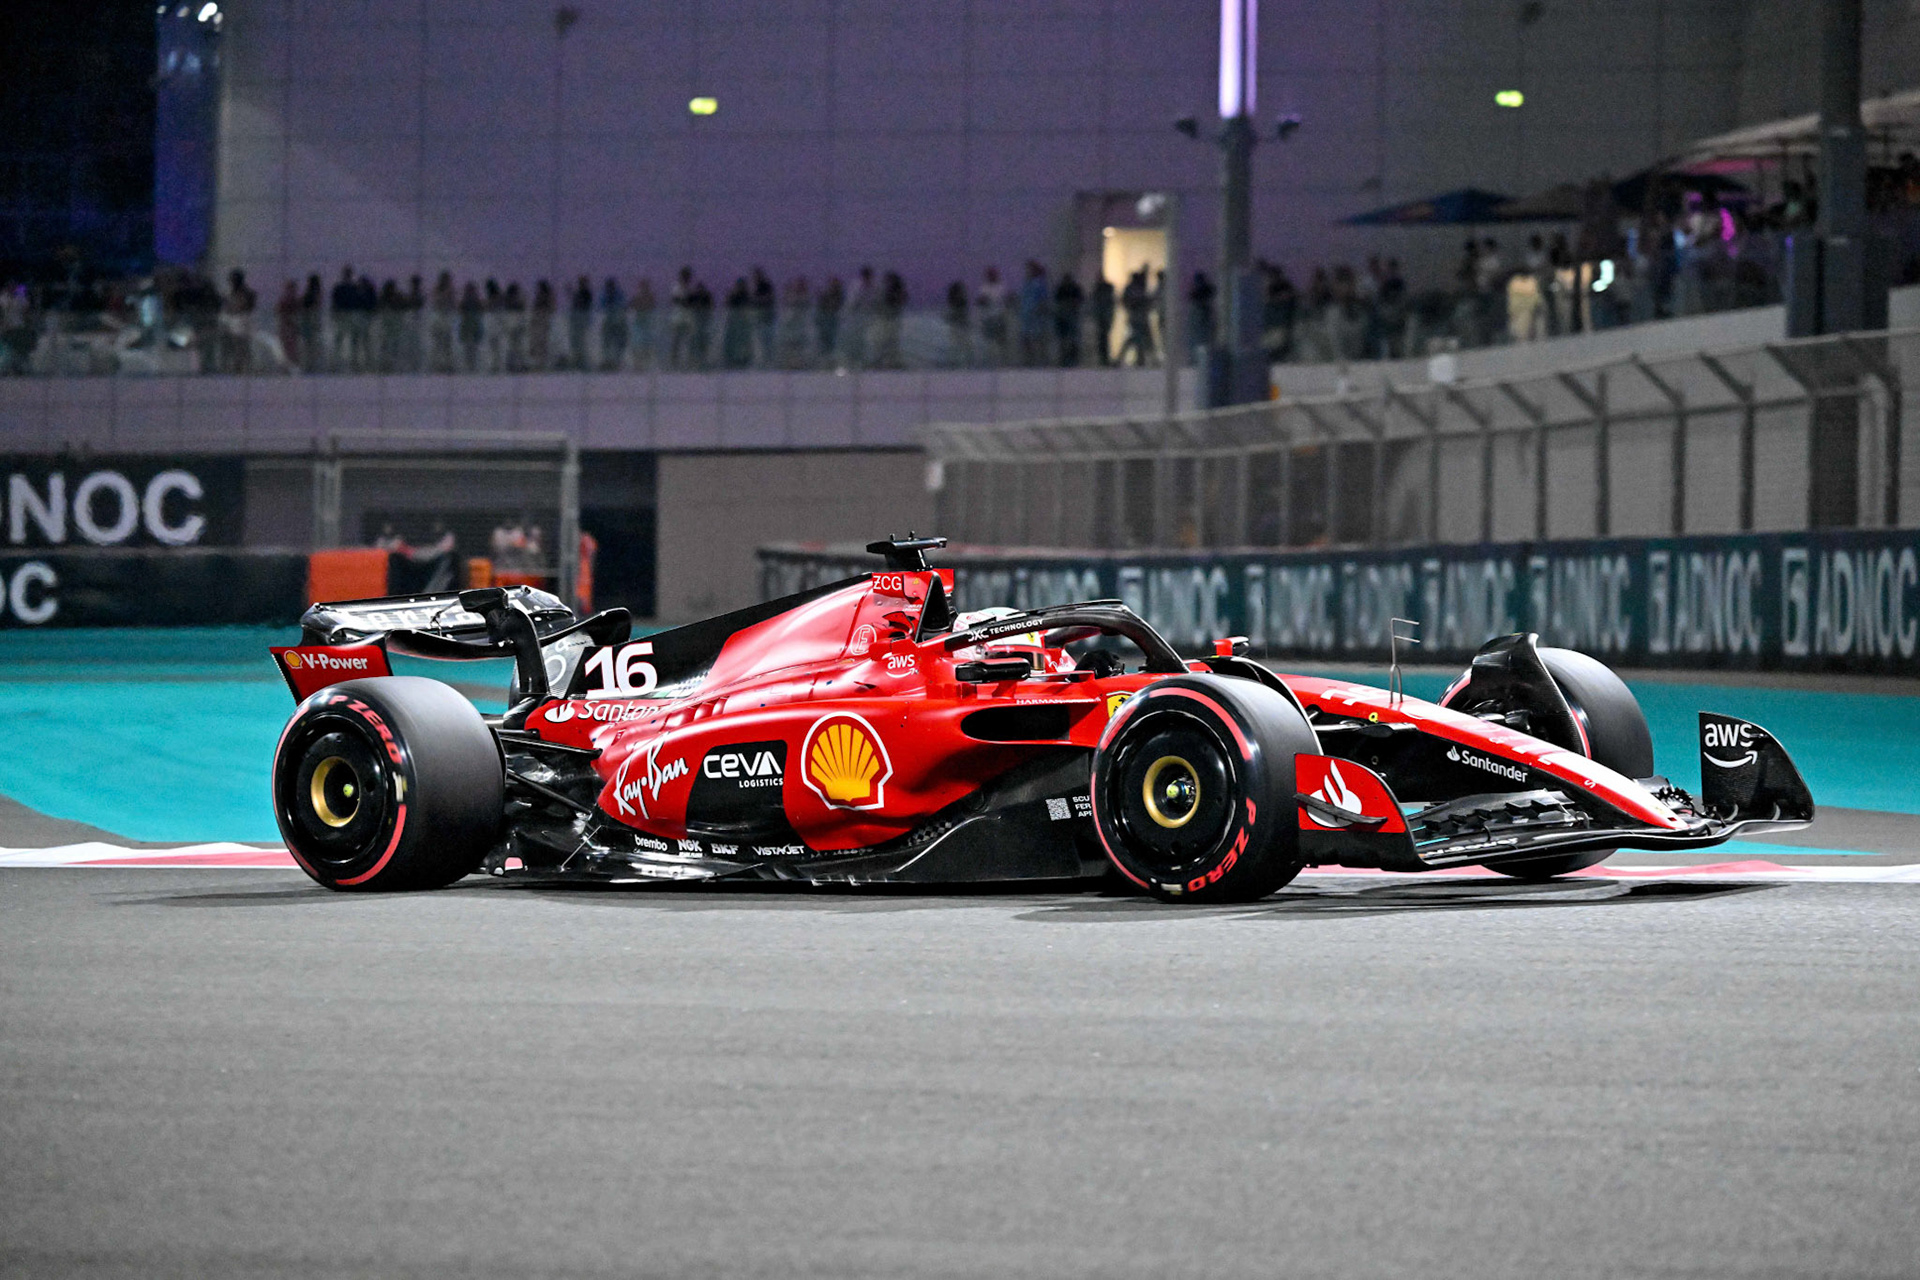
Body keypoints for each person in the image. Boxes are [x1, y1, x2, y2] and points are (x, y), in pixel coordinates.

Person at [1118, 267, 1154, 366]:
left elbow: (1147, 302)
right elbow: (1126, 301)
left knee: (1138, 339)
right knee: (1136, 339)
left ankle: (1140, 358)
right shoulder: (1132, 289)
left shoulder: (1139, 288)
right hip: (1136, 317)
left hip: (1140, 317)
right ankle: (1138, 359)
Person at [1016, 260, 1050, 366]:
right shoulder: (1026, 283)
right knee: (1025, 340)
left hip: (1036, 318)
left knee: (1038, 339)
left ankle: (1041, 361)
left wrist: (1039, 310)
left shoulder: (1039, 283)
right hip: (1026, 317)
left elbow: (1043, 299)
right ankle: (1028, 361)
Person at [975, 266, 1008, 365]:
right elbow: (981, 301)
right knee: (988, 341)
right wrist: (983, 301)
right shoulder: (983, 288)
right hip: (988, 318)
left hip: (998, 317)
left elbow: (1002, 300)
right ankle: (989, 361)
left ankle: (1001, 361)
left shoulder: (1001, 287)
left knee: (1000, 341)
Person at [1052, 271, 1084, 367]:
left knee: (1073, 339)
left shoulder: (1074, 289)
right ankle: (1064, 358)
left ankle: (1073, 359)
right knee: (1064, 339)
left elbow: (1080, 300)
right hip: (1062, 318)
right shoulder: (1061, 289)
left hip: (1072, 317)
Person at [875, 270, 907, 368]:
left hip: (892, 319)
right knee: (884, 341)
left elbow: (902, 300)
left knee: (891, 341)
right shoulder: (884, 291)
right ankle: (885, 361)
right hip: (885, 319)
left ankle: (891, 361)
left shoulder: (896, 291)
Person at [721, 276, 753, 368]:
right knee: (731, 342)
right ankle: (729, 360)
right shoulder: (733, 295)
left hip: (744, 324)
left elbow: (749, 308)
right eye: (739, 285)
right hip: (733, 324)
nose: (740, 287)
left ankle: (744, 361)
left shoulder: (747, 296)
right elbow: (727, 305)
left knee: (744, 343)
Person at [668, 268, 696, 369]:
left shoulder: (691, 289)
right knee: (676, 341)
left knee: (687, 341)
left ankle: (687, 362)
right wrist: (686, 301)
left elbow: (690, 302)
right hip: (677, 318)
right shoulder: (676, 288)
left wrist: (687, 301)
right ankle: (673, 363)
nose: (686, 278)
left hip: (688, 319)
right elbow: (678, 301)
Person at [429, 271, 457, 372]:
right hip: (438, 319)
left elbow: (454, 304)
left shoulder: (451, 291)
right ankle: (436, 365)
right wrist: (444, 296)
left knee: (447, 344)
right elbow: (436, 303)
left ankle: (448, 364)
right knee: (438, 343)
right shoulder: (437, 290)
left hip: (447, 319)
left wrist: (449, 296)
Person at [598, 276, 627, 370]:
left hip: (617, 323)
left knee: (618, 342)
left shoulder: (618, 295)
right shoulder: (604, 295)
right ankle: (607, 361)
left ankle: (617, 362)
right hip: (607, 322)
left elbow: (622, 306)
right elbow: (600, 308)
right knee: (606, 342)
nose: (610, 288)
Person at [750, 267, 776, 366]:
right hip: (759, 318)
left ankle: (769, 360)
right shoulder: (755, 288)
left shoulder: (766, 285)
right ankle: (762, 361)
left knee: (768, 340)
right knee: (759, 341)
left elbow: (769, 298)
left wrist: (758, 300)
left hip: (767, 318)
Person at [815, 275, 844, 364]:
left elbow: (838, 307)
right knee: (824, 342)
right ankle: (823, 360)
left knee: (833, 343)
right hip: (825, 323)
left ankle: (833, 360)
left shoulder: (840, 297)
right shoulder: (825, 297)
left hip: (834, 323)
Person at [457, 281, 484, 372]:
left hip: (474, 324)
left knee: (474, 347)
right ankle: (467, 365)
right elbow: (460, 310)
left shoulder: (477, 301)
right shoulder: (464, 301)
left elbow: (481, 309)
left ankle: (474, 365)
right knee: (467, 347)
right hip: (467, 324)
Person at [298, 274, 323, 373]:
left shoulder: (311, 294)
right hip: (310, 322)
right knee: (310, 345)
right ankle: (309, 365)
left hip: (309, 321)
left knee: (309, 345)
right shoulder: (315, 294)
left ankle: (310, 365)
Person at [1090, 272, 1116, 366]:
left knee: (1104, 338)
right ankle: (1102, 358)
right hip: (1101, 317)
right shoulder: (1098, 289)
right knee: (1102, 338)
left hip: (1105, 316)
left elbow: (1110, 302)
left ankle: (1105, 358)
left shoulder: (1106, 288)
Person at [274, 279, 301, 371]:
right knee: (285, 347)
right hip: (285, 327)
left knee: (293, 347)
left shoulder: (297, 302)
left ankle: (293, 365)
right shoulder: (283, 301)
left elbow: (299, 314)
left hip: (293, 327)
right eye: (290, 289)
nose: (291, 292)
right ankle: (284, 366)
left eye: (293, 289)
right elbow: (278, 313)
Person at [630, 277, 656, 368]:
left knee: (646, 345)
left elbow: (652, 306)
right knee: (636, 344)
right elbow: (632, 306)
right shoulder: (637, 297)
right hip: (638, 324)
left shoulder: (650, 297)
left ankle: (646, 364)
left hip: (647, 324)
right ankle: (637, 364)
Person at [504, 281, 530, 371]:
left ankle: (521, 364)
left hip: (518, 328)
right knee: (512, 347)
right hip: (511, 328)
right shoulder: (509, 303)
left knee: (520, 347)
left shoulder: (519, 303)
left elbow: (523, 315)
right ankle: (511, 365)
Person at [943, 280, 970, 366]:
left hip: (962, 326)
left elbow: (963, 314)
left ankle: (964, 362)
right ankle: (956, 362)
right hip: (955, 327)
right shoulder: (953, 302)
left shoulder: (962, 301)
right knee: (955, 344)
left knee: (963, 344)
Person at [568, 275, 593, 370]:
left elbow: (583, 304)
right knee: (575, 342)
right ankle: (576, 360)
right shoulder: (578, 293)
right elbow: (575, 305)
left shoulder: (587, 294)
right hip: (576, 322)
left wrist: (573, 294)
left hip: (582, 322)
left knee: (583, 342)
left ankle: (583, 361)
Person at [529, 280, 554, 370]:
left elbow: (551, 308)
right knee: (537, 343)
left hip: (543, 321)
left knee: (542, 342)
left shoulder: (545, 297)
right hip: (538, 322)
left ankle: (542, 362)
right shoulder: (540, 298)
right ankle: (538, 362)